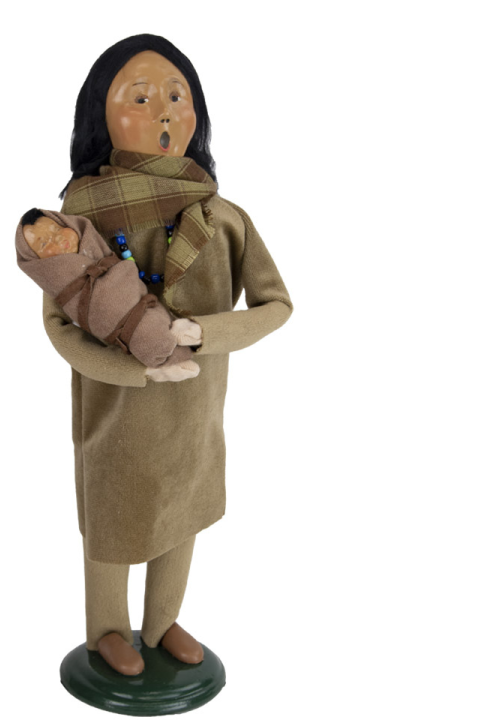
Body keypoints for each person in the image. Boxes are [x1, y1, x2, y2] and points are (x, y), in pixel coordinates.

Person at [38, 34, 293, 676]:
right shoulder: (79, 219)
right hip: (116, 414)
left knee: (184, 512)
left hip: (195, 412)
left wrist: (205, 332)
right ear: (100, 116)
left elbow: (276, 304)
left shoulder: (224, 218)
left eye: (178, 97)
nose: (163, 112)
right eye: (140, 97)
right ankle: (105, 630)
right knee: (113, 520)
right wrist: (134, 368)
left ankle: (161, 621)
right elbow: (61, 329)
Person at [15, 207, 200, 371]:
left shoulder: (90, 238)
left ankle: (176, 340)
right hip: (118, 358)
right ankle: (169, 353)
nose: (57, 238)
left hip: (142, 297)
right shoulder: (55, 279)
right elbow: (62, 331)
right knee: (148, 338)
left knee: (157, 318)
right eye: (44, 244)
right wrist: (135, 373)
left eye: (57, 229)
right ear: (38, 263)